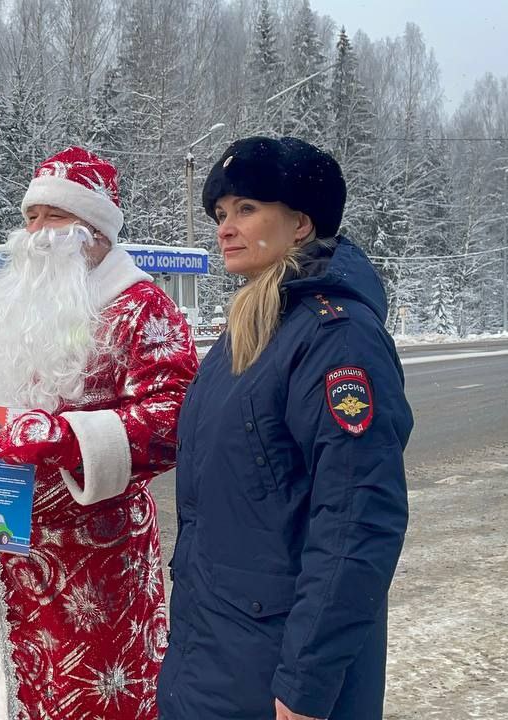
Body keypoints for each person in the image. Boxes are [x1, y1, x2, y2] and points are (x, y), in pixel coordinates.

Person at [0, 147, 198, 719]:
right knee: (19, 692)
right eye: (30, 216)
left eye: (54, 216)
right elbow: (6, 414)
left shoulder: (141, 306)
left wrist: (63, 437)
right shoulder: (21, 305)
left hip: (94, 563)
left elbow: (174, 418)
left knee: (92, 702)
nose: (35, 233)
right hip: (3, 541)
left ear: (95, 229)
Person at [158, 137, 414, 720]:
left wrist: (306, 684)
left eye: (246, 209)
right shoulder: (251, 329)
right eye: (220, 214)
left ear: (301, 223)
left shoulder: (337, 339)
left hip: (278, 673)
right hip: (216, 654)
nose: (226, 228)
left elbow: (357, 520)